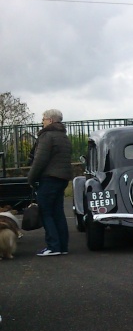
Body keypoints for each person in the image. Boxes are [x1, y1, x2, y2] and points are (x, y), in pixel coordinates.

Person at [28, 109, 72, 256]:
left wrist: (31, 178)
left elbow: (39, 160)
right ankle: (62, 246)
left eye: (44, 119)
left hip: (49, 178)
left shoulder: (47, 136)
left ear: (51, 120)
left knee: (46, 212)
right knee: (58, 212)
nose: (42, 121)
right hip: (62, 179)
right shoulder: (63, 136)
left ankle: (53, 246)